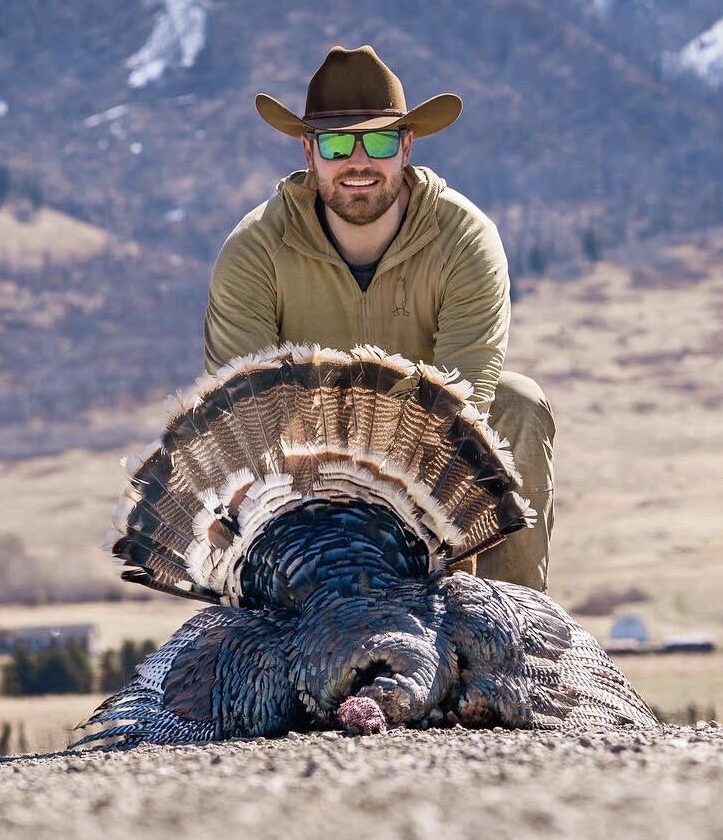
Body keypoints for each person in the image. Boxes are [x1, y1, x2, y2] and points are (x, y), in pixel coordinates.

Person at [203, 45, 556, 591]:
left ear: (407, 146)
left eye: (381, 141)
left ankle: (512, 632)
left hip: (432, 458)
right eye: (339, 142)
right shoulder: (254, 251)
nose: (359, 163)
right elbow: (244, 422)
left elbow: (465, 411)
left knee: (517, 404)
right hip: (300, 470)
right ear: (308, 150)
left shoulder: (464, 239)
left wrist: (428, 555)